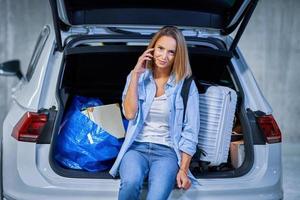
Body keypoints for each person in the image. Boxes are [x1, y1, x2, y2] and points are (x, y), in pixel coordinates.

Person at [109, 26, 200, 200]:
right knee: (130, 183)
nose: (164, 56)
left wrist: (183, 169)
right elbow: (129, 114)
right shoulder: (137, 77)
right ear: (152, 48)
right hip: (136, 148)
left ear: (177, 56)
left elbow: (191, 131)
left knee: (157, 197)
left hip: (167, 153)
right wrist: (136, 75)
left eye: (171, 52)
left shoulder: (186, 85)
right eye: (160, 48)